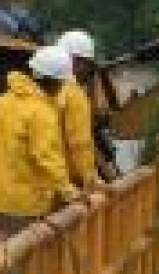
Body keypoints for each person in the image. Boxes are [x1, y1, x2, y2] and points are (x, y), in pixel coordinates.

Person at [0, 45, 81, 244]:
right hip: (26, 203)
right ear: (54, 82)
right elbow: (46, 156)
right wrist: (69, 190)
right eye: (62, 83)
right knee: (28, 262)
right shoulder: (41, 112)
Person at [56, 29, 105, 188]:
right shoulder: (74, 95)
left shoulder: (44, 86)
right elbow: (80, 144)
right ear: (75, 61)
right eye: (87, 63)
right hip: (65, 179)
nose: (88, 70)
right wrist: (91, 180)